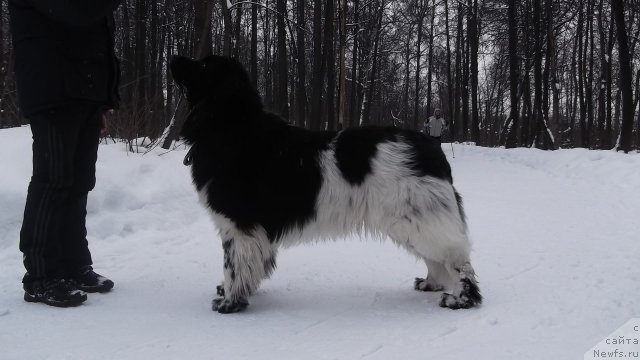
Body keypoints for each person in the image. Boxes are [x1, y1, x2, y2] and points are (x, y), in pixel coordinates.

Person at [9, 1, 122, 307]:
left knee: (79, 181)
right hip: (51, 89)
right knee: (53, 179)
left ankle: (74, 265)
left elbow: (97, 32)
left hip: (84, 90)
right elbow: (78, 11)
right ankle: (40, 277)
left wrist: (102, 98)